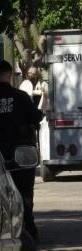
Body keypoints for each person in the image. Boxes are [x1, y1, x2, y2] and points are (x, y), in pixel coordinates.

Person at [0, 60, 43, 241]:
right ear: (9, 74)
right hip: (21, 155)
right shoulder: (20, 97)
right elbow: (37, 117)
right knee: (25, 192)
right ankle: (29, 229)